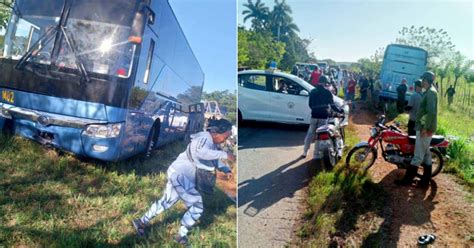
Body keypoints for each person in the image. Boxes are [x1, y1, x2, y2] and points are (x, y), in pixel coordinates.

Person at [132, 119, 235, 245]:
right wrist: (224, 154)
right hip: (181, 176)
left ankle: (141, 222)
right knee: (197, 206)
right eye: (226, 137)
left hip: (179, 174)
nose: (225, 140)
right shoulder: (203, 138)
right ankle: (181, 235)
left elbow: (212, 158)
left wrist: (226, 169)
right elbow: (201, 152)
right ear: (217, 132)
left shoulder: (211, 143)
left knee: (167, 201)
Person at [395, 71, 438, 187]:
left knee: (418, 155)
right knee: (426, 155)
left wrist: (424, 127)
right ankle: (424, 182)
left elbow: (430, 112)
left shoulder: (431, 93)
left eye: (423, 80)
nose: (422, 82)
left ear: (426, 80)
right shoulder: (428, 92)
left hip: (425, 128)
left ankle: (407, 180)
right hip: (424, 127)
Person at [302, 75, 344, 158]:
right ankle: (316, 154)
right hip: (323, 117)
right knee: (319, 136)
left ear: (318, 82)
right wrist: (340, 111)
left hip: (314, 115)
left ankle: (305, 152)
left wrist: (315, 110)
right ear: (325, 83)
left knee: (310, 134)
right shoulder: (327, 93)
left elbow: (310, 104)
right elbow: (333, 106)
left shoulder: (313, 91)